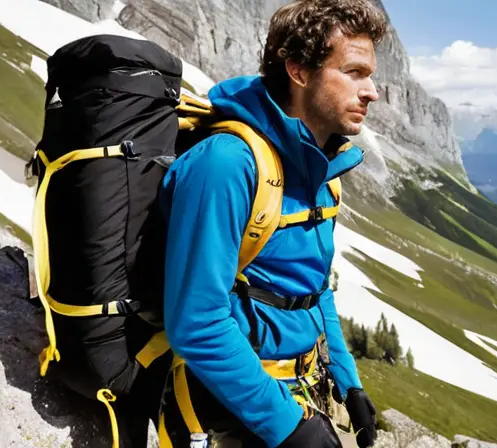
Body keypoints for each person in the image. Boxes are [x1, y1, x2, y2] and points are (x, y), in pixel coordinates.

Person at [156, 1, 388, 447]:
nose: (372, 91)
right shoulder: (227, 164)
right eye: (354, 72)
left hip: (300, 390)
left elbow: (312, 289)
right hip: (226, 404)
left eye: (370, 74)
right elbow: (196, 322)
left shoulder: (323, 168)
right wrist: (289, 428)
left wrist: (348, 380)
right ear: (299, 71)